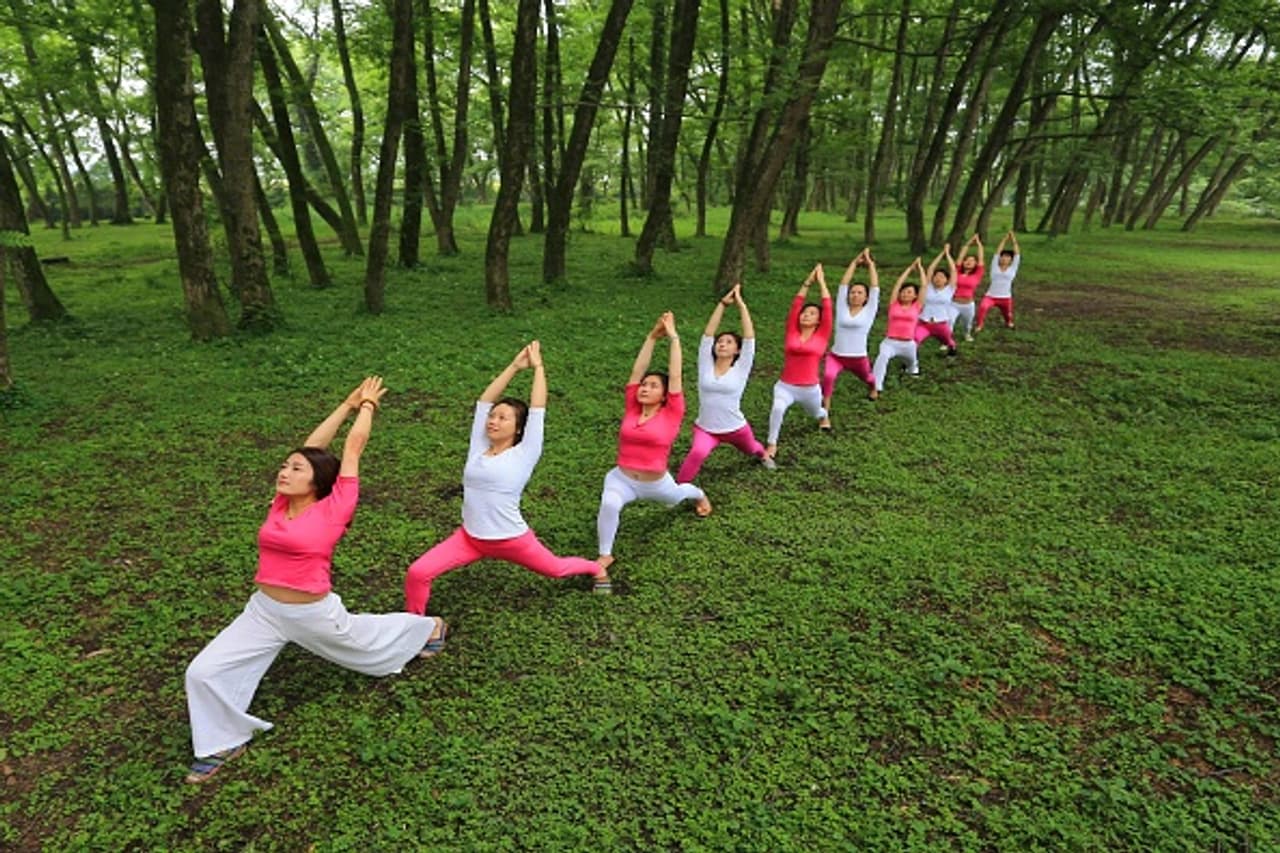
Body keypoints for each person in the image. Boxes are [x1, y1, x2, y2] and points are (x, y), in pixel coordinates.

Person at [184, 378, 442, 784]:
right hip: (264, 611)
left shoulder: (335, 507)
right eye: (285, 465)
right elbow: (313, 446)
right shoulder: (281, 502)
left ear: (317, 481)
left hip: (311, 613)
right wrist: (345, 402)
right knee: (202, 672)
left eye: (295, 468)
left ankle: (427, 628)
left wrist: (368, 407)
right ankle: (223, 741)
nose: (284, 472)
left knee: (366, 649)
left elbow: (352, 448)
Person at [404, 342, 604, 616]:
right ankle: (415, 629)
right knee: (417, 573)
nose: (493, 421)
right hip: (469, 538)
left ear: (519, 428)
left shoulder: (525, 452)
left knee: (556, 569)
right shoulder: (479, 446)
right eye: (493, 417)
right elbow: (484, 401)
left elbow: (538, 408)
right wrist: (513, 367)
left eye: (503, 418)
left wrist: (538, 368)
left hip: (511, 539)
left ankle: (596, 568)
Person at [595, 313, 711, 591]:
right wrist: (651, 337)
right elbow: (637, 371)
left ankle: (699, 493)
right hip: (621, 479)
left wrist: (673, 338)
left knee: (677, 495)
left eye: (652, 386)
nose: (645, 388)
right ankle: (605, 554)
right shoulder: (632, 408)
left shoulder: (673, 412)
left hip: (655, 483)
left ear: (664, 395)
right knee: (610, 504)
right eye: (644, 386)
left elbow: (675, 375)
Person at [675, 284, 770, 481]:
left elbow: (750, 339)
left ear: (737, 350)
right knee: (697, 453)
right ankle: (676, 492)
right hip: (706, 429)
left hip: (736, 428)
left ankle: (764, 454)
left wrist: (742, 306)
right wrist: (722, 305)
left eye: (728, 342)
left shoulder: (741, 368)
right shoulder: (705, 364)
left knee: (752, 448)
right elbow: (708, 335)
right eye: (720, 341)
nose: (722, 344)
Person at [763, 264, 833, 463]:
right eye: (805, 312)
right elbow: (796, 305)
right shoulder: (792, 331)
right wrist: (807, 283)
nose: (805, 315)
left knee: (816, 412)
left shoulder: (822, 335)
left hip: (810, 388)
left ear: (819, 321)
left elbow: (827, 307)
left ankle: (823, 415)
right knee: (777, 408)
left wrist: (821, 283)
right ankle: (772, 444)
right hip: (786, 385)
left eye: (812, 313)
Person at [820, 249, 879, 422]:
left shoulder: (869, 311)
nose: (855, 295)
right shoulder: (842, 308)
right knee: (828, 378)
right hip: (837, 356)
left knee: (867, 377)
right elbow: (843, 285)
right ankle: (825, 416)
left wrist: (870, 265)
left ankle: (873, 388)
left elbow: (875, 288)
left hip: (858, 357)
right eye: (853, 292)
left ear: (866, 298)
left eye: (860, 292)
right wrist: (854, 263)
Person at [871, 259, 928, 398]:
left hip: (908, 344)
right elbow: (897, 285)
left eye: (909, 292)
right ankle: (876, 387)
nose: (905, 294)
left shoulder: (917, 306)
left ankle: (912, 368)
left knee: (912, 366)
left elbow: (924, 286)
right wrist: (908, 269)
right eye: (903, 291)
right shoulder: (894, 304)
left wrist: (920, 269)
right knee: (882, 357)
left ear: (915, 296)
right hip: (890, 342)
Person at [916, 245, 959, 357]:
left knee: (948, 341)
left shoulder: (949, 289)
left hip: (941, 323)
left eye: (942, 277)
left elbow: (953, 270)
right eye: (936, 276)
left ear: (947, 280)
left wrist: (947, 254)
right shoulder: (928, 286)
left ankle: (952, 352)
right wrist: (941, 254)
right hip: (924, 322)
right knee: (915, 339)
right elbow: (930, 269)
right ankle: (910, 361)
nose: (938, 278)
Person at [976, 230, 1022, 331]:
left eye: (1007, 257)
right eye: (1003, 257)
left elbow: (1017, 255)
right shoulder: (995, 266)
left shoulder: (1012, 268)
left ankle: (1008, 322)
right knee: (983, 307)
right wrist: (1004, 240)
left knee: (1008, 315)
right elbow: (997, 252)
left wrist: (1013, 239)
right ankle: (979, 325)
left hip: (1005, 297)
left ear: (1011, 260)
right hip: (991, 296)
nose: (1004, 259)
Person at [951, 234, 984, 342]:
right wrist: (968, 244)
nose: (968, 262)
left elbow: (981, 258)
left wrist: (978, 244)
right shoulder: (957, 271)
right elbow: (960, 257)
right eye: (967, 260)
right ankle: (947, 340)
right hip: (954, 303)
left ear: (975, 264)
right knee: (949, 322)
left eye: (972, 261)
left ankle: (967, 334)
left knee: (967, 323)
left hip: (968, 304)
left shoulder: (977, 274)